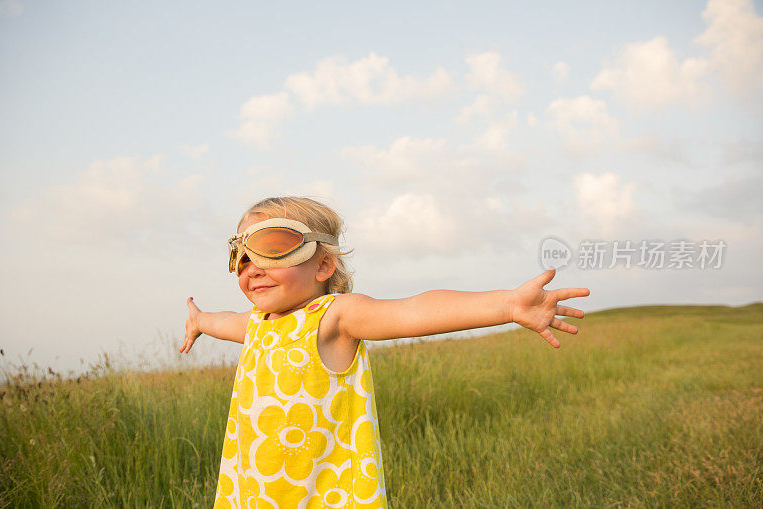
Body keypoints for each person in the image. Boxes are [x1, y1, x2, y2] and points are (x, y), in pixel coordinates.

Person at [181, 196, 590, 509]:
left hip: (323, 496)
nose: (252, 266)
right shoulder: (256, 325)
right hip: (252, 494)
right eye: (242, 255)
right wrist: (199, 321)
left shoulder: (336, 317)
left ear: (323, 265)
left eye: (272, 246)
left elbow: (414, 310)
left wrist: (505, 305)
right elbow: (223, 320)